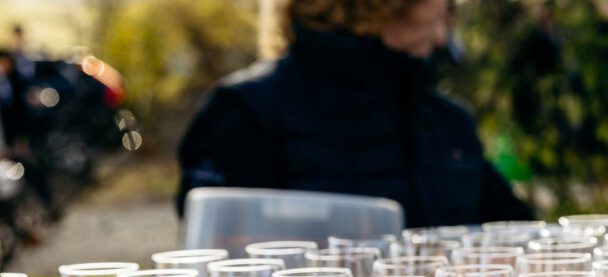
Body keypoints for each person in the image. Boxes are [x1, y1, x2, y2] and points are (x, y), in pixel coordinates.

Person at [176, 0, 533, 227]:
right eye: (445, 4)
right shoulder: (245, 113)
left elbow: (522, 242)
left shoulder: (447, 122)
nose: (444, 33)